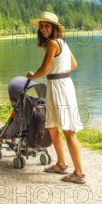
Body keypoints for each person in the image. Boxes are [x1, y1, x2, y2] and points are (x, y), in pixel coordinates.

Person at [26, 11, 86, 184]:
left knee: (68, 131)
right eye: (42, 26)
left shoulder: (53, 44)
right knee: (51, 126)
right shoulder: (63, 43)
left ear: (54, 28)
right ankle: (61, 164)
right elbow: (73, 64)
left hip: (59, 87)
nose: (43, 29)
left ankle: (79, 173)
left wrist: (31, 76)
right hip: (59, 85)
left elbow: (44, 69)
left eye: (47, 26)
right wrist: (59, 70)